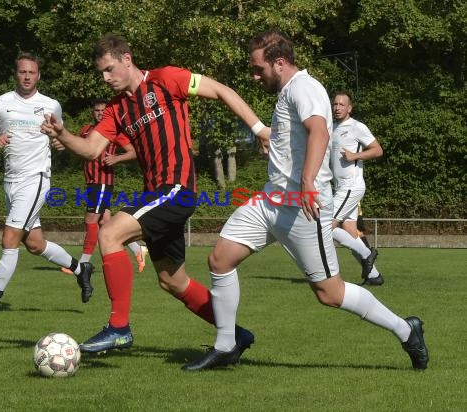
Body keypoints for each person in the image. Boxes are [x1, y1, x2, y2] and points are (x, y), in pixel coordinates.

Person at [182, 29, 428, 371]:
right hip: (271, 201)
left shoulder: (305, 87)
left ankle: (407, 330)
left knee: (331, 293)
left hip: (302, 208)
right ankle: (226, 346)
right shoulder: (287, 92)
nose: (255, 76)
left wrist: (309, 182)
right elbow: (298, 136)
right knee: (220, 259)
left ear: (279, 62)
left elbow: (319, 131)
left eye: (258, 69)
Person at [41, 33, 268, 356]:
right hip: (158, 193)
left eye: (109, 69)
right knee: (172, 281)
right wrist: (63, 133)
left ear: (127, 59)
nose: (105, 78)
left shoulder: (164, 80)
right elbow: (92, 150)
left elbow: (220, 89)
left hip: (178, 188)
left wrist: (260, 130)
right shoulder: (117, 110)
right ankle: (236, 335)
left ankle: (119, 328)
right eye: (101, 73)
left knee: (109, 234)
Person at [0, 52, 94, 316]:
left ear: (38, 76)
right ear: (16, 73)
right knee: (34, 244)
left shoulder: (50, 105)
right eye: (22, 71)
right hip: (10, 181)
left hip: (35, 178)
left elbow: (61, 138)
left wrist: (58, 141)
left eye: (31, 72)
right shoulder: (0, 103)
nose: (26, 76)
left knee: (10, 237)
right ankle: (81, 269)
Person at [60, 99, 148, 275]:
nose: (100, 113)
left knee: (91, 220)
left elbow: (133, 152)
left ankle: (82, 265)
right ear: (93, 112)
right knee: (105, 222)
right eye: (97, 110)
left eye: (103, 110)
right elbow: (80, 149)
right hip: (91, 181)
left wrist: (117, 158)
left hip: (102, 182)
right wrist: (65, 145)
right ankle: (138, 250)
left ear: (107, 112)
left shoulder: (114, 130)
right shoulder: (86, 130)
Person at [331, 91, 384, 286]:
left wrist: (354, 156)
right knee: (350, 230)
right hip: (340, 187)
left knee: (325, 226)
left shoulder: (357, 127)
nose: (337, 107)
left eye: (342, 104)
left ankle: (367, 253)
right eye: (335, 104)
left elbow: (377, 150)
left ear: (349, 108)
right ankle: (374, 276)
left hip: (350, 187)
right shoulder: (332, 127)